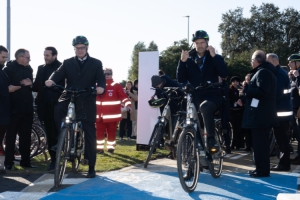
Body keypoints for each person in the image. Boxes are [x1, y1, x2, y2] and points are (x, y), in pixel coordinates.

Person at [45, 35, 105, 178]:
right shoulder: (67, 63)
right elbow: (57, 73)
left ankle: (91, 166)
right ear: (74, 49)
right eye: (77, 48)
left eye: (82, 47)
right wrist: (51, 80)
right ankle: (62, 136)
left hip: (86, 98)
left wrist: (101, 87)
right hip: (69, 95)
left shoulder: (96, 63)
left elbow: (101, 79)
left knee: (90, 131)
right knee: (58, 108)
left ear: (87, 48)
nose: (79, 50)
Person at [177, 30, 228, 152]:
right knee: (195, 122)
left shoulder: (215, 57)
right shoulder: (189, 59)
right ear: (194, 44)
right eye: (197, 43)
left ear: (207, 43)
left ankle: (211, 138)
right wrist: (182, 62)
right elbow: (180, 79)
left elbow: (224, 73)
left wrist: (214, 56)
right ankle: (198, 153)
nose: (199, 45)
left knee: (205, 107)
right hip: (196, 96)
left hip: (212, 96)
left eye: (202, 42)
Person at [240, 50, 277, 178]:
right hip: (261, 115)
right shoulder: (264, 71)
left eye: (251, 60)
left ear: (256, 60)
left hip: (260, 116)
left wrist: (246, 90)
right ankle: (260, 168)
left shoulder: (263, 72)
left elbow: (262, 91)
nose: (251, 62)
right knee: (259, 144)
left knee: (260, 144)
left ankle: (262, 170)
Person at [32, 47, 64, 171]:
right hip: (45, 107)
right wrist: (30, 84)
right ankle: (54, 160)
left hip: (59, 106)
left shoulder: (62, 67)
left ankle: (65, 155)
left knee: (59, 132)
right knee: (50, 134)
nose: (45, 57)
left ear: (54, 56)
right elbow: (36, 87)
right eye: (44, 55)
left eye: (47, 55)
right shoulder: (41, 68)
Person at [3, 48, 35, 170]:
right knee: (11, 137)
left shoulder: (29, 69)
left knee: (26, 136)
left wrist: (30, 83)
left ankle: (25, 161)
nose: (29, 60)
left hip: (27, 108)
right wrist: (20, 85)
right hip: (14, 108)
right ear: (20, 57)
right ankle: (9, 163)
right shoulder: (8, 69)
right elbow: (7, 88)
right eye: (27, 57)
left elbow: (31, 85)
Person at [267, 53, 293, 171]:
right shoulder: (281, 73)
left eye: (267, 62)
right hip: (282, 112)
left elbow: (277, 94)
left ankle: (284, 164)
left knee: (282, 140)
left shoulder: (279, 74)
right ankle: (283, 163)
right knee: (281, 140)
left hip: (280, 113)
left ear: (274, 61)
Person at [95, 68, 131, 154]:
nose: (106, 75)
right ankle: (99, 149)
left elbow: (124, 96)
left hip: (112, 116)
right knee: (99, 134)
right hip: (99, 116)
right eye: (104, 74)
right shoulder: (97, 86)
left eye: (108, 73)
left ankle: (110, 148)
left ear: (111, 75)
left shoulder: (116, 85)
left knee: (111, 133)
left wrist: (128, 105)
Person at [0, 46, 21, 155]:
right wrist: (7, 89)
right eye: (3, 57)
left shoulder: (2, 71)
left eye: (6, 57)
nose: (5, 59)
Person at [287, 54, 300, 165]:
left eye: (291, 62)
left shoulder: (298, 73)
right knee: (297, 132)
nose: (289, 64)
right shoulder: (293, 74)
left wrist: (298, 77)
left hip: (298, 107)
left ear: (297, 63)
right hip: (294, 107)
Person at [229, 76, 244, 150]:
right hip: (232, 110)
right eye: (233, 81)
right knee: (232, 128)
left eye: (236, 81)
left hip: (240, 110)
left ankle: (239, 144)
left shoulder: (241, 89)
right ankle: (232, 144)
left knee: (239, 128)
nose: (235, 83)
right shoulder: (230, 90)